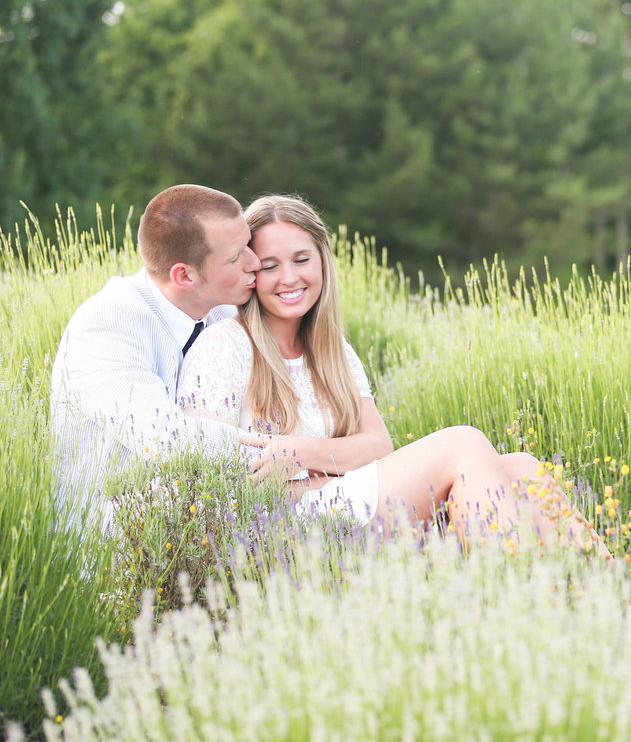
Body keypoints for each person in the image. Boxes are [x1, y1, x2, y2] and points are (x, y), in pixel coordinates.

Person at [176, 194, 599, 552]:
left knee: (521, 467)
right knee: (463, 443)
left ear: (321, 261)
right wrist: (327, 472)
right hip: (282, 530)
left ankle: (617, 594)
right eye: (269, 266)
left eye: (301, 259)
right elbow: (218, 482)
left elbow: (378, 446)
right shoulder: (224, 348)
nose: (289, 278)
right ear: (250, 271)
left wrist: (299, 454)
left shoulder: (332, 349)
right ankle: (522, 598)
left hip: (344, 499)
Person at [49, 183, 301, 528]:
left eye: (249, 245)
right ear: (184, 275)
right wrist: (299, 454)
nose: (255, 262)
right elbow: (167, 442)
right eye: (236, 255)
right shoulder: (108, 324)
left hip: (214, 513)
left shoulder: (222, 312)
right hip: (120, 538)